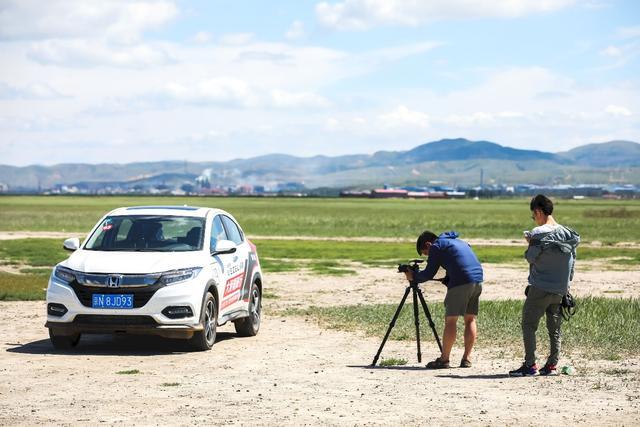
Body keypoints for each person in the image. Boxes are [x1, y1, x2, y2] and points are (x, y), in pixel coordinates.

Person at [509, 194, 580, 377]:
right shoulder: (567, 233)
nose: (534, 219)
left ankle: (530, 365)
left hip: (540, 287)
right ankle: (551, 365)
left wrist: (530, 242)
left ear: (539, 212)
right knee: (554, 328)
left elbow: (530, 257)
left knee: (529, 325)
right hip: (560, 289)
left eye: (534, 215)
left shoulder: (539, 232)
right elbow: (572, 263)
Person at [404, 230, 484, 369]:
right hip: (477, 280)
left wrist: (414, 276)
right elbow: (459, 262)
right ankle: (467, 358)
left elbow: (428, 273)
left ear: (428, 244)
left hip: (461, 282)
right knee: (470, 319)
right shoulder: (458, 242)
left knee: (451, 320)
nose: (429, 256)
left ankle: (444, 359)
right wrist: (448, 277)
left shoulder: (436, 246)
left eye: (426, 253)